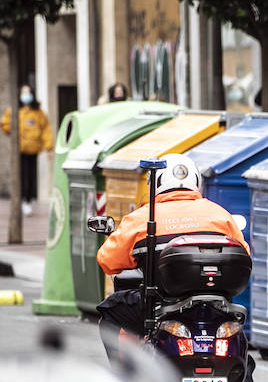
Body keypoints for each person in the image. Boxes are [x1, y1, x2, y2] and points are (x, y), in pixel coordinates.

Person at [95, 153, 250, 360]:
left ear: (155, 183)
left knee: (111, 311)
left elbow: (108, 261)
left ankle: (124, 379)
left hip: (158, 307)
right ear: (196, 181)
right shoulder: (220, 215)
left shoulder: (142, 218)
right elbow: (244, 257)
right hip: (216, 307)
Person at [2, 84, 53, 217]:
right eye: (23, 92)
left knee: (30, 176)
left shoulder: (38, 112)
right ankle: (20, 200)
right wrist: (12, 130)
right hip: (18, 150)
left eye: (28, 92)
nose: (26, 95)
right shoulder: (14, 110)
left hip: (33, 150)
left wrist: (49, 147)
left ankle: (27, 201)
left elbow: (46, 129)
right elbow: (4, 123)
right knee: (20, 176)